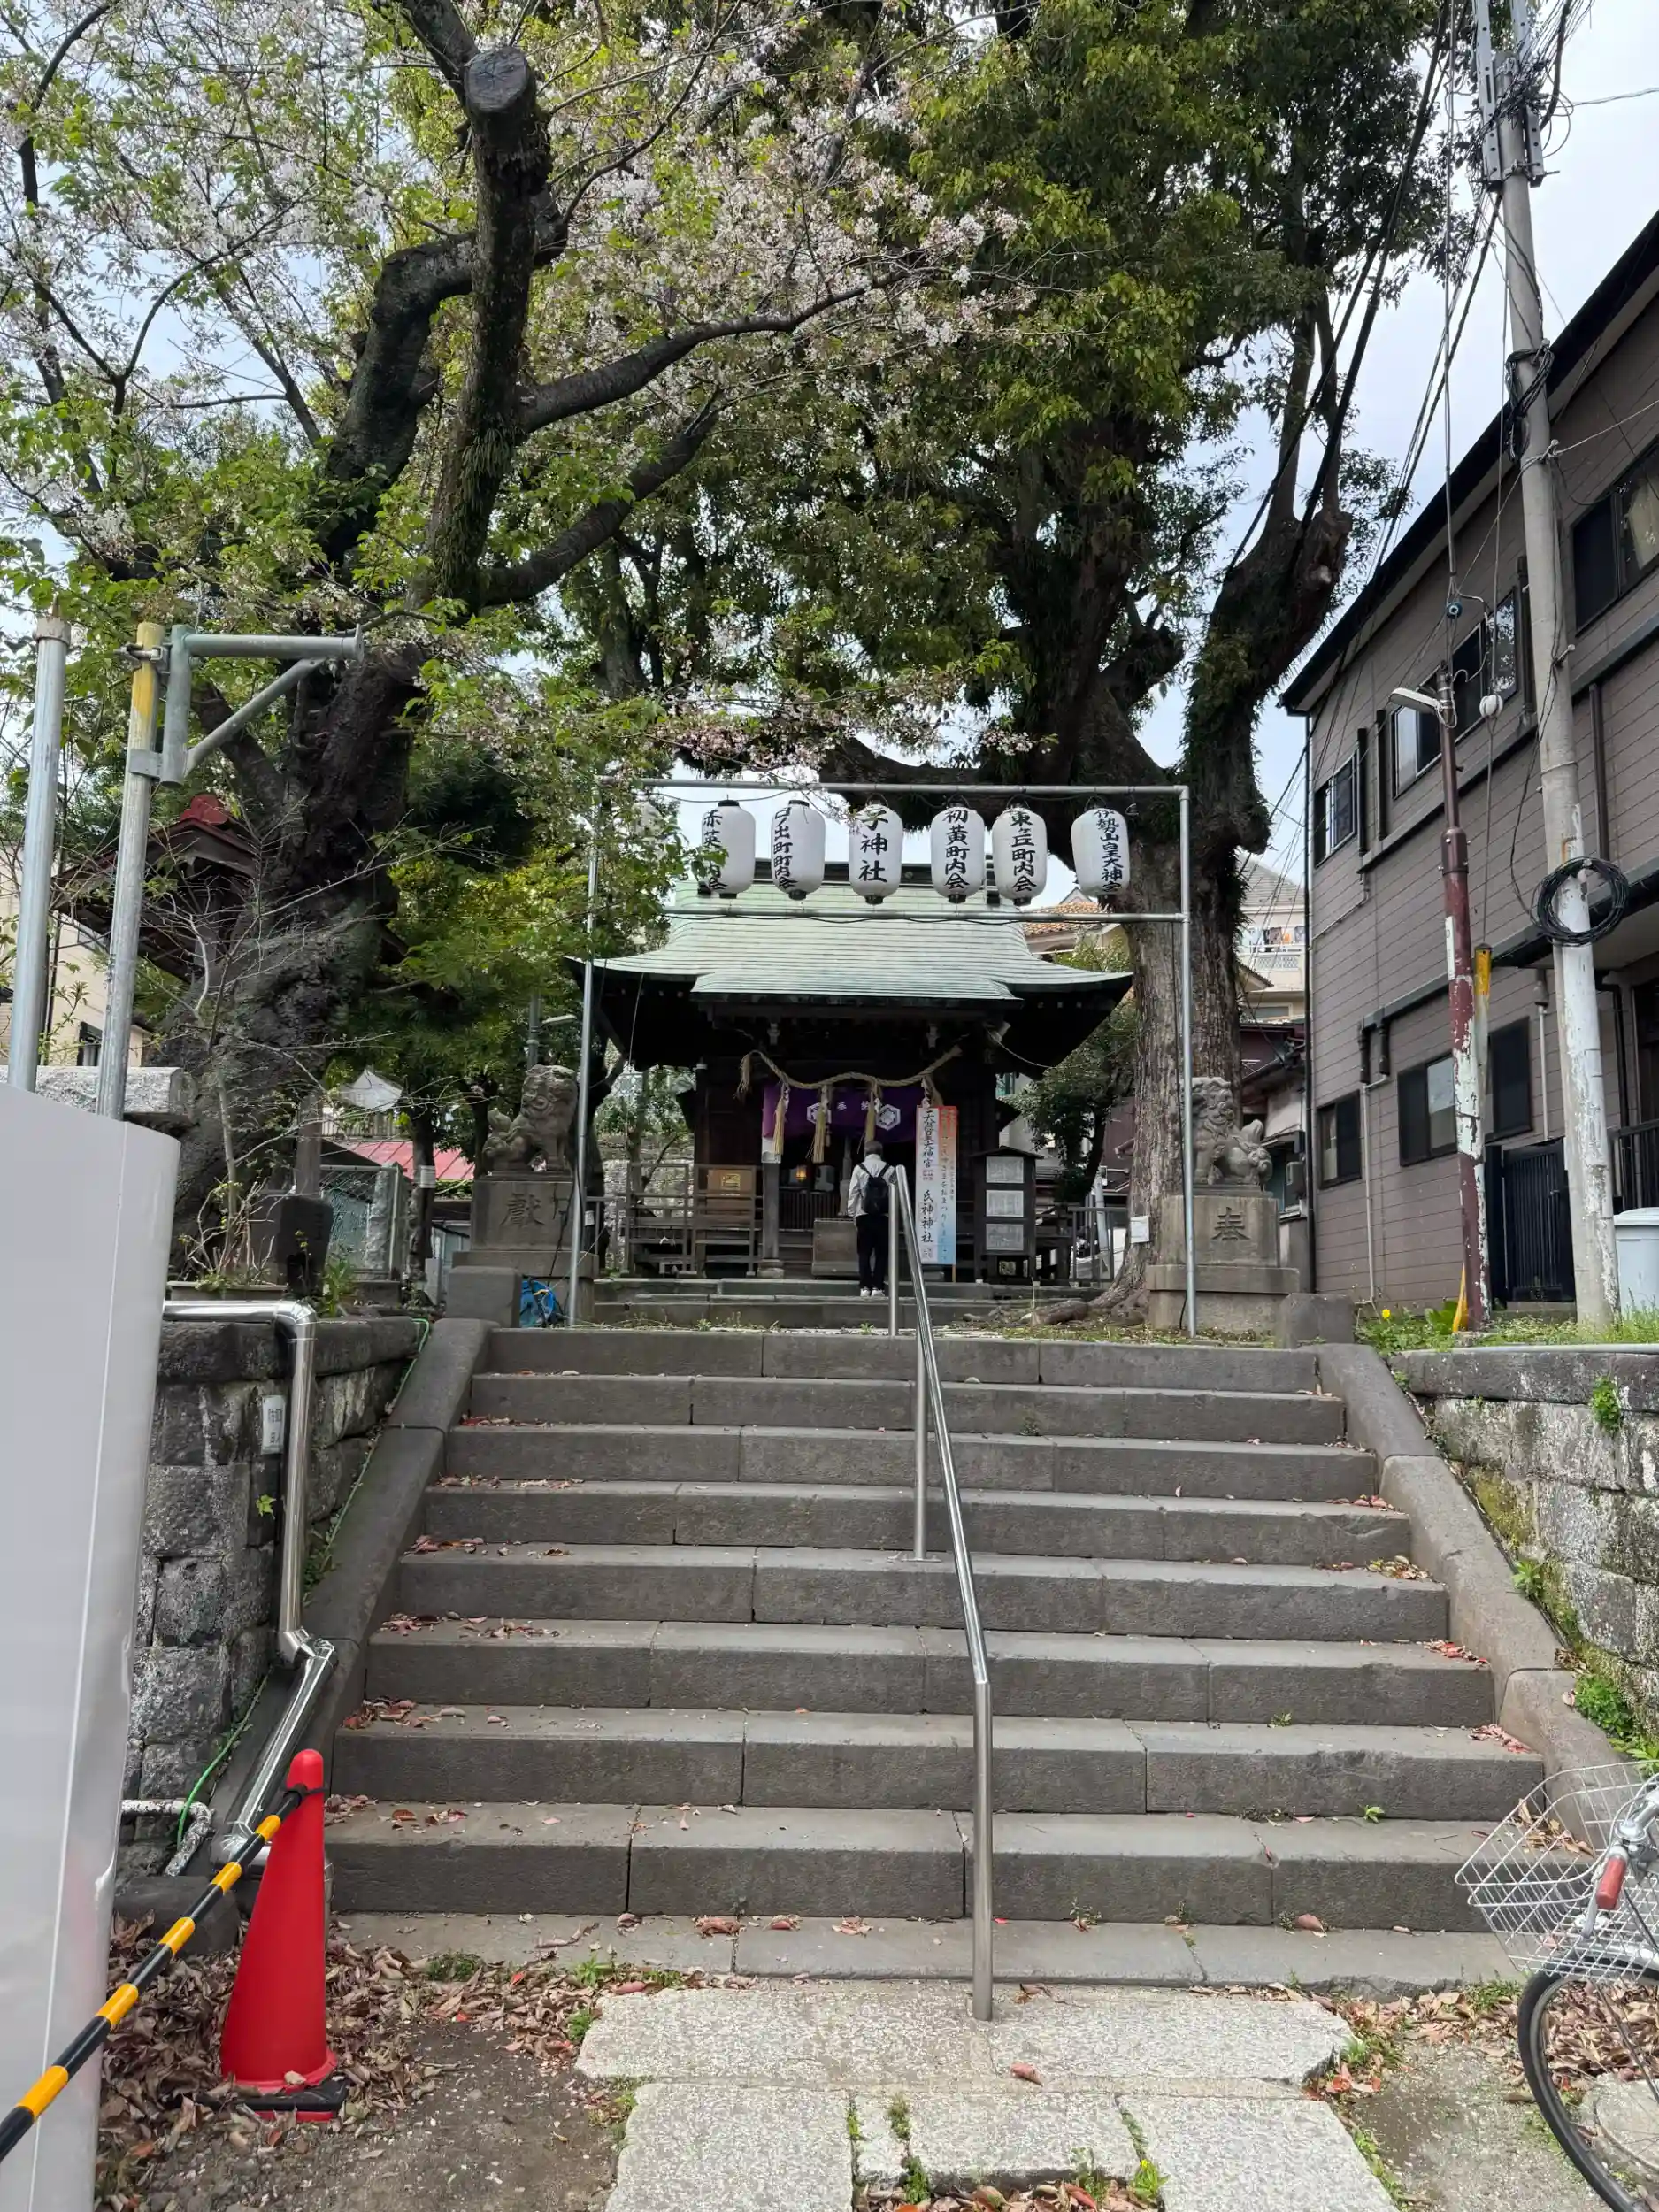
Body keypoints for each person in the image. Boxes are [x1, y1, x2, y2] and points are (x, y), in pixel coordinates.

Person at [847, 1142, 892, 1297]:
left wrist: (852, 1213)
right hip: (883, 1216)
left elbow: (853, 1192)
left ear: (865, 1153)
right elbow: (895, 1194)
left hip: (863, 1214)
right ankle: (878, 1287)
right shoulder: (890, 1170)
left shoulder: (859, 1168)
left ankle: (865, 1287)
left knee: (864, 1252)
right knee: (882, 1253)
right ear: (881, 1153)